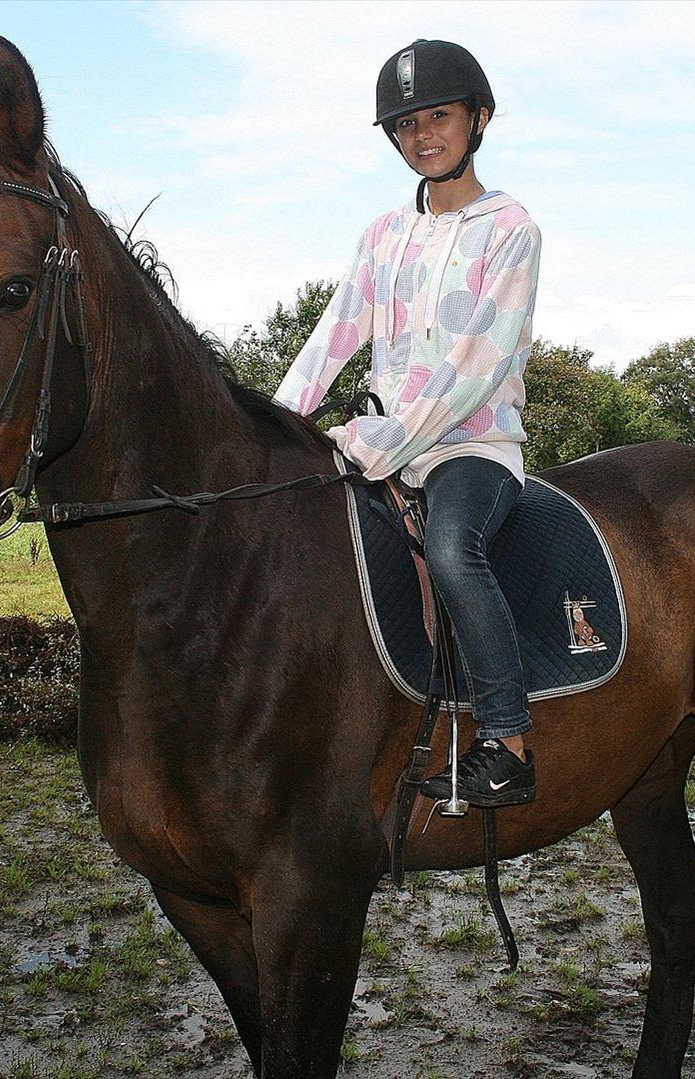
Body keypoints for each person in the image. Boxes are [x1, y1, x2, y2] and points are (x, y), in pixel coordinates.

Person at [273, 39, 541, 806]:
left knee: (455, 551)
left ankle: (507, 739)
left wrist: (383, 441)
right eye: (405, 125)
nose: (422, 136)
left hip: (470, 446)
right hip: (382, 445)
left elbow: (475, 367)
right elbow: (334, 333)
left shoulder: (512, 229)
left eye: (438, 117)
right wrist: (276, 426)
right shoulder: (383, 236)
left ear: (478, 118)